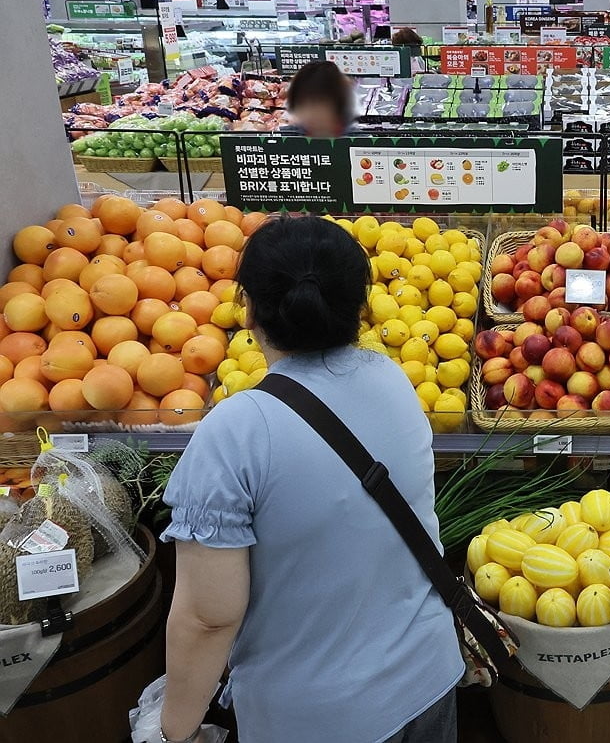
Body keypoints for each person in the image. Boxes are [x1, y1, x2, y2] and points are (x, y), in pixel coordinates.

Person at [158, 215, 462, 743]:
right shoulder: (392, 377)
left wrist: (172, 731)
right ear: (362, 304)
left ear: (247, 306)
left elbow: (208, 618)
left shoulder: (235, 430)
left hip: (317, 717)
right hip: (428, 679)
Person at [281, 60, 357, 137]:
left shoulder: (358, 140)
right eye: (301, 103)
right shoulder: (285, 137)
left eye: (318, 102)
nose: (309, 112)